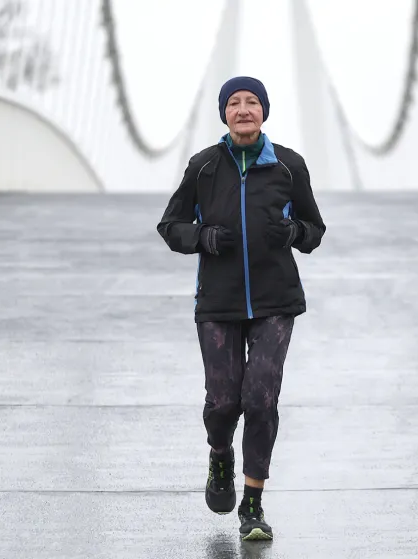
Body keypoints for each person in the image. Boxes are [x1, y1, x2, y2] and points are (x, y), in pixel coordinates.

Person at [156, 76, 326, 541]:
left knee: (261, 398)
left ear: (264, 112)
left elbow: (315, 230)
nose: (244, 109)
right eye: (235, 102)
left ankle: (252, 503)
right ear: (224, 114)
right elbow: (169, 225)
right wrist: (201, 237)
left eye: (253, 102)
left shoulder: (289, 166)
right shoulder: (204, 167)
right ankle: (219, 455)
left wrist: (293, 233)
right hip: (218, 302)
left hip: (276, 302)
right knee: (223, 401)